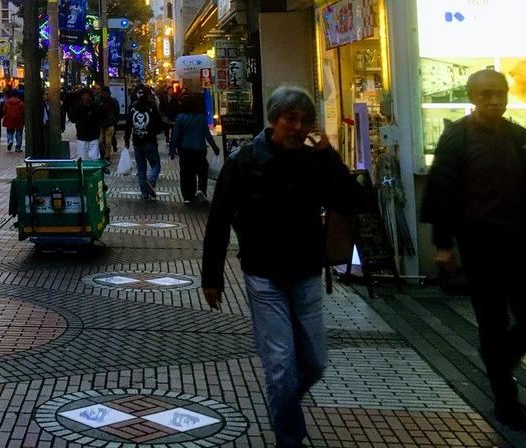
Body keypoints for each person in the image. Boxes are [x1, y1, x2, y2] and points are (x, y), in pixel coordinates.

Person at [202, 86, 364, 448]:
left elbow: (355, 202)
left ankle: (283, 402)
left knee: (315, 363)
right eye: (290, 119)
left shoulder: (312, 162)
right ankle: (289, 439)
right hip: (263, 275)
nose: (298, 127)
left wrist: (331, 159)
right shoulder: (244, 162)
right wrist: (211, 278)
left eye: (305, 121)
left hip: (306, 272)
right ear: (274, 119)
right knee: (279, 364)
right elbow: (218, 220)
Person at [420, 68, 526, 430]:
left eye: (499, 93)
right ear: (471, 96)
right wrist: (442, 244)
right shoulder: (457, 137)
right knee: (493, 324)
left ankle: (497, 360)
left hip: (522, 245)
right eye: (485, 95)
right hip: (480, 247)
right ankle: (505, 401)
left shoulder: (519, 137)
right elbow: (442, 191)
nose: (494, 101)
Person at [170, 92, 220, 205]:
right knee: (202, 170)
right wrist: (214, 147)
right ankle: (201, 190)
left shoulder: (180, 118)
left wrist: (172, 150)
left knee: (187, 173)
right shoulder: (201, 118)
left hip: (185, 150)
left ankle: (188, 195)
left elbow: (175, 135)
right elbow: (206, 134)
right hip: (200, 149)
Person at [130, 87, 163, 200]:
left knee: (141, 169)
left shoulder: (133, 106)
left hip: (137, 141)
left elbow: (128, 123)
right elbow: (159, 121)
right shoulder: (152, 105)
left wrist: (125, 139)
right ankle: (151, 181)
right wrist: (155, 132)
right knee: (156, 165)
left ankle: (144, 192)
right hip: (150, 141)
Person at [69, 88, 102, 161]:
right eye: (84, 95)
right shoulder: (77, 107)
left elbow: (99, 118)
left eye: (87, 95)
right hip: (82, 135)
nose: (86, 97)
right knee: (83, 158)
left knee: (94, 157)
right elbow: (73, 119)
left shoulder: (94, 106)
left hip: (93, 135)